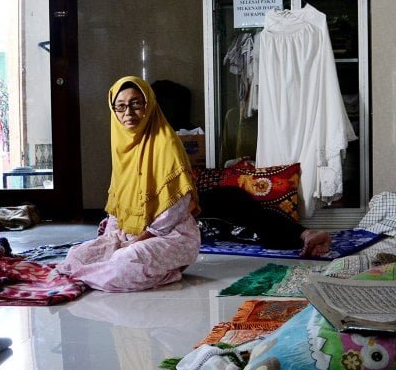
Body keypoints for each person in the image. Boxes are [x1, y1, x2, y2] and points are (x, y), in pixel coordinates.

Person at [55, 76, 201, 292]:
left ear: (149, 105)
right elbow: (118, 205)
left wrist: (137, 240)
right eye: (120, 107)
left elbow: (176, 209)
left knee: (126, 262)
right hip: (129, 233)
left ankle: (169, 271)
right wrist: (111, 241)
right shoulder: (122, 147)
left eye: (136, 104)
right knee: (77, 255)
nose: (128, 114)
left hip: (170, 235)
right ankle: (98, 273)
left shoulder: (166, 143)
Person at [197, 185, 331, 257]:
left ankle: (307, 234)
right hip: (218, 214)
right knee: (266, 238)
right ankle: (310, 238)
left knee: (256, 219)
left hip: (223, 199)